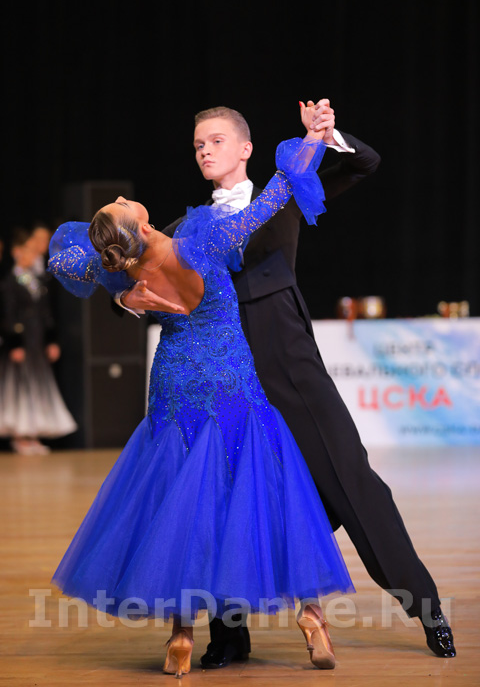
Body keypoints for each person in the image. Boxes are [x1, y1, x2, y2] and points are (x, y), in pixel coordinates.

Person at [120, 100, 456, 664]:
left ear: (245, 148)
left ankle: (426, 608)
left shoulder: (288, 188)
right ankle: (229, 635)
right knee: (223, 494)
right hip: (221, 368)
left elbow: (364, 164)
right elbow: (128, 279)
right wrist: (129, 300)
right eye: (198, 144)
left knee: (350, 480)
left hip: (284, 356)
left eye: (217, 140)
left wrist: (327, 135)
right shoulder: (184, 228)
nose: (205, 150)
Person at [48, 114, 355, 677]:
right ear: (142, 225)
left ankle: (182, 636)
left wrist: (124, 296)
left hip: (176, 383)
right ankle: (312, 618)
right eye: (123, 205)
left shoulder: (126, 267)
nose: (124, 197)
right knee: (270, 489)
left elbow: (64, 260)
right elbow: (276, 194)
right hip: (230, 379)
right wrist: (312, 140)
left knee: (180, 500)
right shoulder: (205, 237)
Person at [0, 228, 77, 454]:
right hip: (22, 341)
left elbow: (46, 313)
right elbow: (9, 315)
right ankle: (19, 435)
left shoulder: (38, 281)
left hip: (36, 341)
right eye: (27, 251)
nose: (31, 256)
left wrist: (51, 339)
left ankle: (32, 433)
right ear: (16, 252)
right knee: (20, 387)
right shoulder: (10, 281)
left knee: (37, 386)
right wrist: (15, 343)